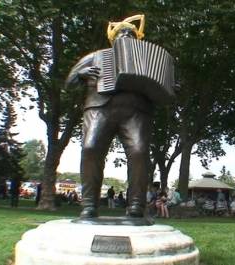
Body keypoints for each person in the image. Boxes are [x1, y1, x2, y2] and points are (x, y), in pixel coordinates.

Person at [66, 15, 173, 219]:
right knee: (90, 147)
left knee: (140, 152)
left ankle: (136, 206)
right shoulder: (96, 56)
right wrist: (81, 74)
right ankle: (88, 205)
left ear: (137, 38)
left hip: (135, 112)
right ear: (113, 38)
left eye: (130, 33)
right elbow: (69, 82)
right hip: (99, 108)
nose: (126, 36)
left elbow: (161, 90)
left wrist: (168, 87)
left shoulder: (147, 59)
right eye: (121, 33)